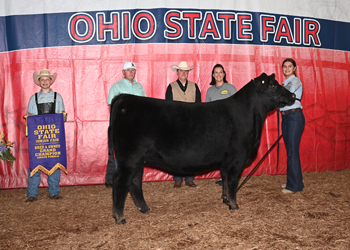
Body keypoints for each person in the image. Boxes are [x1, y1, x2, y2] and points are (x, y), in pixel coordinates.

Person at [26, 69, 67, 202]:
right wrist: (29, 116)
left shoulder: (57, 97)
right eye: (42, 79)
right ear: (39, 82)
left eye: (47, 79)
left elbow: (62, 118)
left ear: (51, 81)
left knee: (54, 160)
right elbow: (29, 117)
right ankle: (32, 193)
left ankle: (54, 191)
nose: (44, 82)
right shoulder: (34, 98)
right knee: (35, 161)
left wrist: (63, 115)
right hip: (38, 136)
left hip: (53, 135)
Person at [105, 62, 146, 185]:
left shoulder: (139, 87)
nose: (131, 72)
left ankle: (135, 181)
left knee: (138, 153)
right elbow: (111, 107)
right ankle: (120, 181)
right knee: (122, 154)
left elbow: (145, 107)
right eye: (128, 70)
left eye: (133, 70)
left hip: (138, 127)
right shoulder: (116, 87)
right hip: (123, 127)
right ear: (123, 72)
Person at [165, 61, 201, 188]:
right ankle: (178, 178)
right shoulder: (171, 87)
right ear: (177, 72)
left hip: (191, 125)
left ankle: (190, 178)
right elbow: (168, 107)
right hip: (176, 125)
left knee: (191, 151)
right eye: (181, 71)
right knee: (177, 152)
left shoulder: (194, 86)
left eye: (186, 71)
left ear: (188, 73)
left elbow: (199, 106)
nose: (183, 73)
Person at [205, 64, 237, 186]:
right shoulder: (210, 90)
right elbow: (207, 109)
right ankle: (223, 177)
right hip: (215, 128)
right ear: (213, 75)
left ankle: (230, 177)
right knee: (220, 153)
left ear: (224, 74)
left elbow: (237, 106)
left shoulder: (230, 88)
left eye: (220, 72)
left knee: (231, 152)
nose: (218, 75)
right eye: (216, 73)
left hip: (229, 127)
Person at [280, 58, 305, 194]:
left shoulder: (295, 81)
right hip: (287, 117)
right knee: (291, 151)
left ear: (294, 68)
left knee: (292, 151)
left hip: (294, 117)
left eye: (290, 66)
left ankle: (294, 186)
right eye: (285, 66)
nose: (287, 68)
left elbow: (284, 95)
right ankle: (295, 182)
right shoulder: (285, 83)